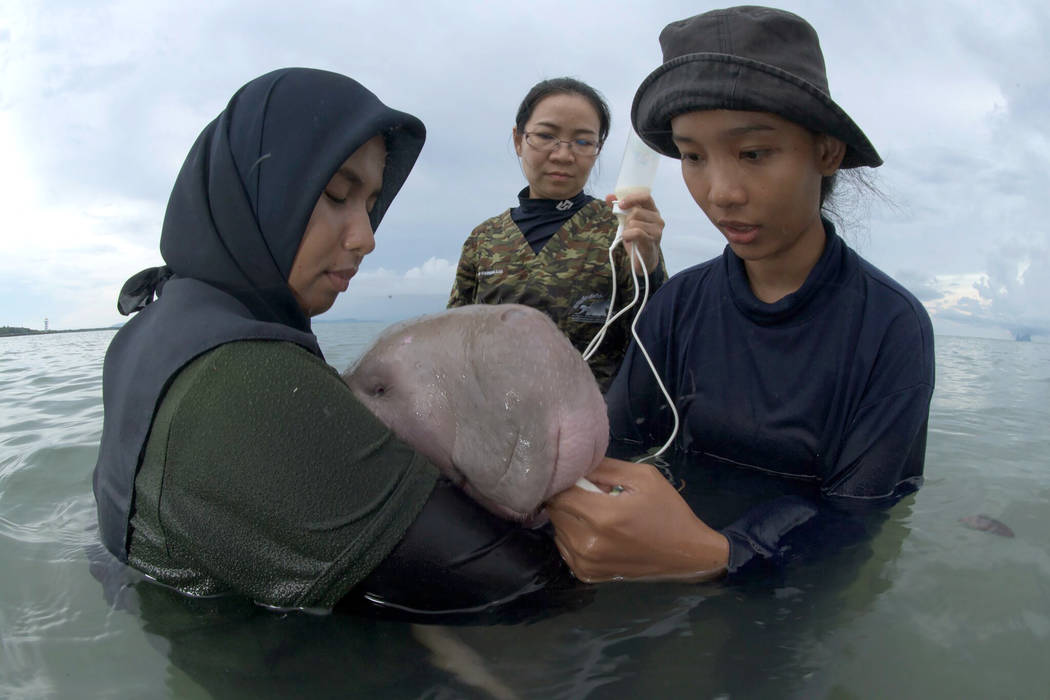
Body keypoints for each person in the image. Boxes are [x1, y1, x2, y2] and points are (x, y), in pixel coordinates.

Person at [92, 68, 576, 615]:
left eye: (370, 205)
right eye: (336, 194)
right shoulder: (250, 384)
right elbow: (525, 587)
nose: (366, 238)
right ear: (256, 193)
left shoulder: (148, 332)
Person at [546, 7, 935, 581]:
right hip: (647, 573)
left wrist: (719, 556)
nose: (721, 193)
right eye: (694, 157)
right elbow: (619, 446)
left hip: (787, 599)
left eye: (753, 153)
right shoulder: (676, 305)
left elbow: (858, 518)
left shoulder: (891, 326)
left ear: (826, 152)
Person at [447, 77, 667, 391]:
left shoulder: (624, 230)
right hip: (498, 426)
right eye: (546, 136)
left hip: (597, 428)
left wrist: (647, 266)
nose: (563, 155)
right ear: (518, 140)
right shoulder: (483, 239)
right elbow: (454, 341)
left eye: (582, 141)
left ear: (597, 149)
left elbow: (660, 336)